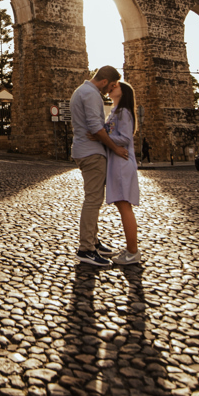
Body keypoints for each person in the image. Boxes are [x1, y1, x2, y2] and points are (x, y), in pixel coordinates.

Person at [70, 65, 128, 266]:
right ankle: (86, 248)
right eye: (110, 85)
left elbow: (94, 127)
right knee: (93, 199)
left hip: (84, 150)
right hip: (91, 153)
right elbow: (95, 127)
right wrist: (115, 148)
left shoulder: (81, 90)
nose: (110, 90)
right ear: (104, 81)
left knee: (94, 198)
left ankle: (93, 241)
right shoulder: (92, 94)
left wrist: (99, 131)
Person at [105, 81, 142, 266]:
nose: (112, 88)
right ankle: (130, 248)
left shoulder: (124, 112)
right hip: (117, 163)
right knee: (122, 206)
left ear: (123, 92)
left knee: (124, 206)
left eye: (116, 86)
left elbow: (126, 139)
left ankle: (133, 251)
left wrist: (102, 137)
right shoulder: (116, 111)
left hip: (122, 163)